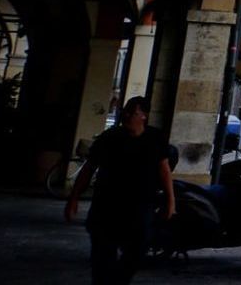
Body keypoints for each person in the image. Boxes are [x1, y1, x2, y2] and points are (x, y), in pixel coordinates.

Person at [64, 96, 174, 285]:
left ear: (144, 116)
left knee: (137, 249)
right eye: (126, 111)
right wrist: (74, 198)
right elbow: (89, 169)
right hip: (106, 205)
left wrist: (170, 201)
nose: (127, 115)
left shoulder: (154, 139)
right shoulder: (110, 137)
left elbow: (164, 170)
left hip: (139, 205)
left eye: (133, 112)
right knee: (102, 255)